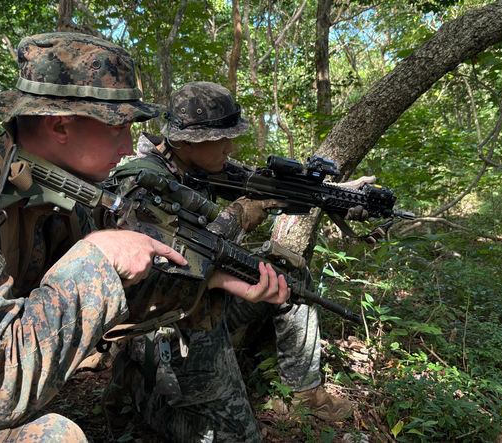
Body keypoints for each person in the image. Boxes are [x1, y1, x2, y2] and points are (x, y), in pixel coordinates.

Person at [0, 35, 287, 442]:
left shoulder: (54, 194)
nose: (130, 146)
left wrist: (205, 282)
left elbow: (113, 303)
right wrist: (94, 256)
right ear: (60, 125)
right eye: (118, 127)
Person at [102, 81, 357, 442]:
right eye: (222, 138)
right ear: (188, 140)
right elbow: (175, 263)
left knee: (287, 274)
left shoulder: (198, 165)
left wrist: (337, 197)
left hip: (206, 299)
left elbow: (261, 183)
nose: (231, 146)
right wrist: (239, 215)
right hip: (166, 321)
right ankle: (141, 395)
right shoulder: (142, 181)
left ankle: (306, 392)